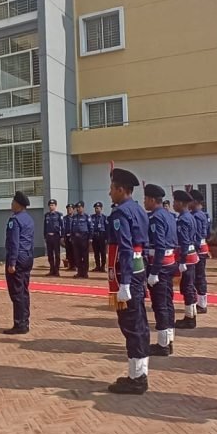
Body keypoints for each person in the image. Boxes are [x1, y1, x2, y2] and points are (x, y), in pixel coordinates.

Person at [106, 168, 151, 394]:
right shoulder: (139, 210)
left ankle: (137, 378)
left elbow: (124, 248)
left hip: (128, 275)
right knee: (139, 324)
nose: (109, 193)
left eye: (112, 188)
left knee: (131, 326)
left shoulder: (120, 214)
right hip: (138, 270)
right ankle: (139, 372)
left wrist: (123, 283)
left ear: (121, 190)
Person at [143, 184, 177, 356]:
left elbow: (160, 246)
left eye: (145, 199)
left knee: (160, 305)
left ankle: (163, 344)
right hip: (169, 264)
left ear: (151, 199)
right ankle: (168, 338)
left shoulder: (156, 218)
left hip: (160, 266)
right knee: (167, 302)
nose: (144, 202)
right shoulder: (169, 215)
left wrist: (154, 271)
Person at [4, 191, 35, 334]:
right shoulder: (29, 219)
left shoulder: (15, 220)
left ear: (18, 205)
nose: (11, 205)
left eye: (13, 202)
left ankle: (19, 324)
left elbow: (14, 243)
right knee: (24, 290)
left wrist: (12, 263)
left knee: (16, 292)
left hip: (17, 258)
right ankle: (25, 321)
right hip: (27, 257)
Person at [172, 190, 201, 329]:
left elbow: (183, 241)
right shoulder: (190, 217)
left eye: (174, 202)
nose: (173, 205)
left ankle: (190, 318)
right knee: (189, 286)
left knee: (187, 287)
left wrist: (182, 260)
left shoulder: (183, 219)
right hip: (191, 254)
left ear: (180, 203)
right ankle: (191, 314)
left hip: (186, 257)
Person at [189, 190, 211, 314]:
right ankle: (201, 302)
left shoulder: (196, 216)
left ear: (195, 201)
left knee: (198, 277)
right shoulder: (202, 214)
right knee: (199, 276)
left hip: (198, 249)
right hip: (202, 248)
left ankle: (201, 303)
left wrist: (194, 251)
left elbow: (197, 236)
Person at [44, 199, 63, 276]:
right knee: (50, 254)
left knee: (57, 254)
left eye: (52, 205)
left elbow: (62, 226)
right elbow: (45, 226)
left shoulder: (59, 215)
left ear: (55, 206)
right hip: (49, 236)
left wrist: (62, 236)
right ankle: (51, 269)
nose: (51, 206)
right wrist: (45, 235)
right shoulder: (47, 215)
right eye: (50, 205)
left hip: (56, 236)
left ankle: (57, 270)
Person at [71, 201, 91, 278]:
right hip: (76, 239)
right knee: (77, 256)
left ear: (83, 207)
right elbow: (72, 228)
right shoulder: (74, 217)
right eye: (77, 208)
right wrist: (72, 238)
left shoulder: (86, 217)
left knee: (85, 256)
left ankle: (85, 273)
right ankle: (79, 272)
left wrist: (90, 238)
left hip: (84, 238)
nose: (78, 209)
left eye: (79, 207)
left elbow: (90, 228)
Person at [90, 202, 107, 272]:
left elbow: (107, 228)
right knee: (96, 252)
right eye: (95, 208)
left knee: (103, 252)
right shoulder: (92, 217)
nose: (96, 209)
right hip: (95, 236)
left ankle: (102, 266)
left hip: (102, 236)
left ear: (101, 208)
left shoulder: (104, 217)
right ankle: (97, 266)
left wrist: (106, 238)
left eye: (98, 208)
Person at [63, 204, 75, 271]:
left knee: (74, 252)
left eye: (70, 209)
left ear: (73, 210)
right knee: (68, 252)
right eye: (67, 209)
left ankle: (75, 266)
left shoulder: (75, 217)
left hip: (74, 237)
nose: (69, 210)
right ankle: (70, 265)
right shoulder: (65, 218)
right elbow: (63, 228)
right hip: (66, 237)